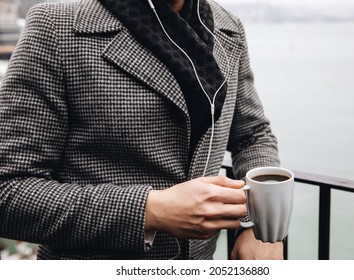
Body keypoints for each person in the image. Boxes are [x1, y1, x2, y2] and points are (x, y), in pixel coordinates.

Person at [0, 0, 282, 260]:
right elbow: (8, 190)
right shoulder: (56, 26)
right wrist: (150, 210)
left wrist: (260, 224)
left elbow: (252, 135)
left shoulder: (228, 27)